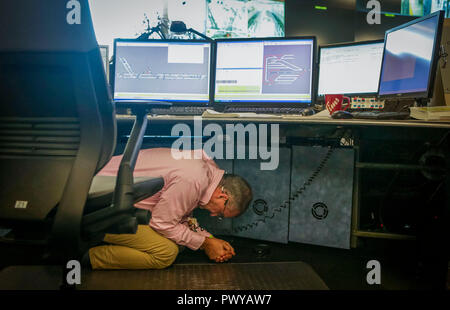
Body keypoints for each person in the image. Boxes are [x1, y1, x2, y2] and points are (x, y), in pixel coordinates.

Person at [85, 148, 253, 270]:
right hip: (98, 206)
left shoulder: (206, 171)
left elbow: (180, 216)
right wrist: (205, 243)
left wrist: (209, 238)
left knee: (179, 242)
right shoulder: (193, 179)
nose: (213, 214)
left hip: (105, 197)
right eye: (221, 213)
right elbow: (162, 223)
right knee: (166, 252)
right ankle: (84, 257)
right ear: (223, 197)